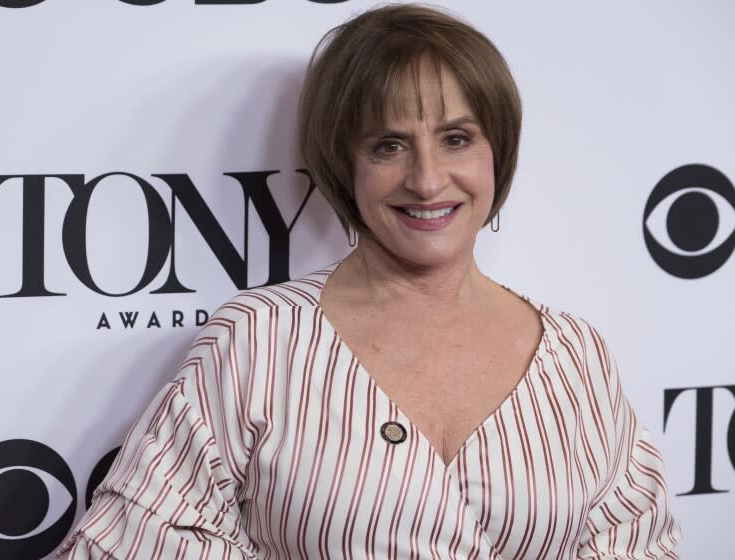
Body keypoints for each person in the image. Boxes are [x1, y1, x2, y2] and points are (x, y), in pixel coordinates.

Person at [57, 4, 680, 559]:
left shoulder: (575, 355)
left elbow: (639, 545)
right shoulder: (259, 340)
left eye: (457, 139)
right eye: (389, 146)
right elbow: (129, 544)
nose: (429, 180)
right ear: (342, 164)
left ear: (498, 152)